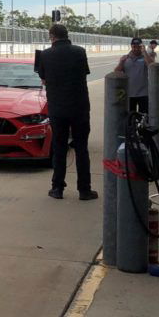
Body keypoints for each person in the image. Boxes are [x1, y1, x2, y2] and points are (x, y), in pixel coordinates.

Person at [35, 23, 97, 201]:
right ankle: (84, 190)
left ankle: (57, 188)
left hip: (57, 109)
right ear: (67, 35)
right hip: (79, 107)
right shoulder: (79, 52)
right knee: (81, 149)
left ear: (52, 36)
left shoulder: (45, 55)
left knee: (59, 147)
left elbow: (44, 79)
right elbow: (83, 73)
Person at [116, 37, 155, 113]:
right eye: (134, 47)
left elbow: (152, 67)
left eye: (138, 47)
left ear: (142, 47)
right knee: (130, 118)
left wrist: (144, 52)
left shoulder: (146, 58)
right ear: (131, 46)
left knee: (144, 118)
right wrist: (121, 62)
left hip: (143, 93)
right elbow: (116, 73)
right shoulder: (125, 58)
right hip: (129, 94)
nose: (136, 49)